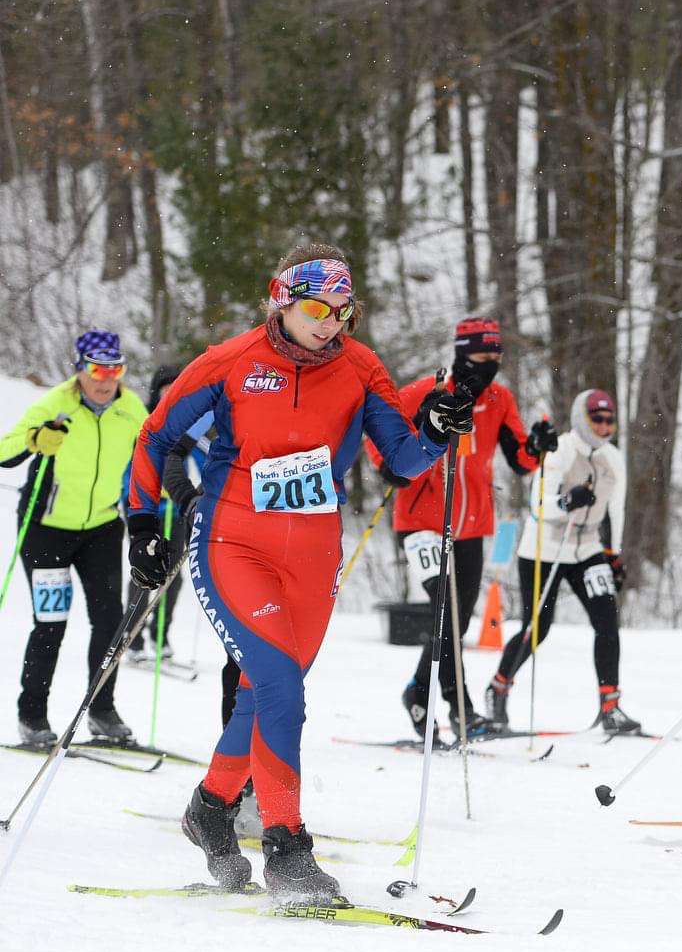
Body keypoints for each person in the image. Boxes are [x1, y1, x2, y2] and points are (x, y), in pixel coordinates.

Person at [126, 246, 469, 903]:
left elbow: (401, 459)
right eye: (316, 308)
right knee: (281, 688)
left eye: (343, 311)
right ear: (280, 298)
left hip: (312, 551)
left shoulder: (361, 367)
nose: (329, 323)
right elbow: (157, 435)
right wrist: (142, 523)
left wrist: (436, 428)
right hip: (234, 539)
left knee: (264, 692)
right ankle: (287, 849)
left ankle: (210, 807)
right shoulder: (231, 361)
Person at [371, 317, 554, 740]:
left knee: (457, 622)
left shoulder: (500, 399)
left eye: (495, 356)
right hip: (422, 523)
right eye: (479, 355)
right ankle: (462, 709)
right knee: (446, 612)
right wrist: (397, 462)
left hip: (471, 527)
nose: (488, 364)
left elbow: (521, 460)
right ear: (459, 353)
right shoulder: (424, 392)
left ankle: (419, 693)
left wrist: (539, 446)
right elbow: (381, 445)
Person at [0, 330, 147, 748]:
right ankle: (32, 716)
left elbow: (154, 449)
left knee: (109, 622)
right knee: (51, 624)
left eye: (115, 369)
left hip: (100, 529)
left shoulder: (130, 409)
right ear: (80, 369)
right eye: (97, 369)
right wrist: (34, 440)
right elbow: (5, 449)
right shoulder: (56, 404)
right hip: (47, 530)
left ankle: (101, 710)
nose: (106, 379)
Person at [485, 389, 634, 734]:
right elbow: (539, 507)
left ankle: (610, 706)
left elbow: (617, 509)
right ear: (583, 418)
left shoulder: (613, 457)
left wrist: (614, 553)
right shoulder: (559, 451)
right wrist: (567, 502)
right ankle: (498, 688)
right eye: (597, 418)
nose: (604, 425)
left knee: (607, 620)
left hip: (586, 550)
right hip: (544, 549)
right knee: (537, 628)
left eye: (609, 419)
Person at [127, 364, 206, 667]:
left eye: (177, 388)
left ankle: (161, 636)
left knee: (173, 574)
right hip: (149, 508)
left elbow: (204, 455)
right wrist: (134, 501)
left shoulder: (191, 423)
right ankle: (131, 639)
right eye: (166, 388)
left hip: (176, 508)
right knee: (146, 572)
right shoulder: (145, 422)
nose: (171, 394)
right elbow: (132, 467)